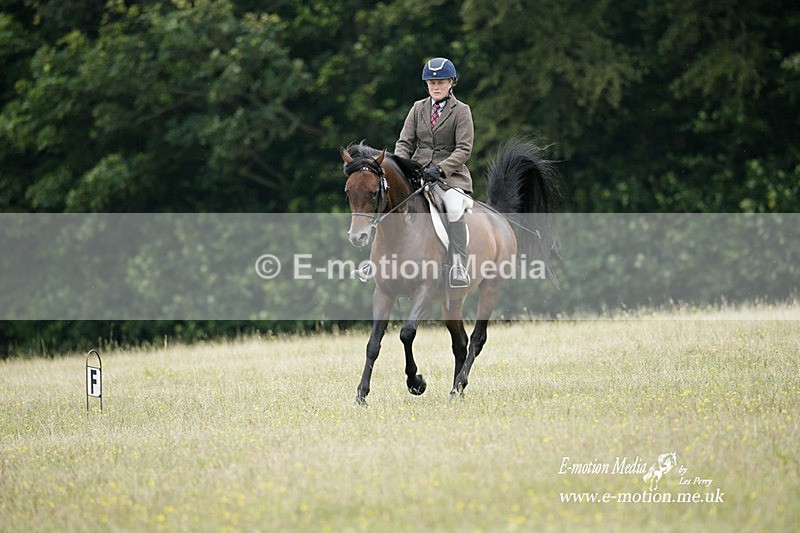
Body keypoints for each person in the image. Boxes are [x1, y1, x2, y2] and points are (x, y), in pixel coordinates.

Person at [394, 57, 474, 288]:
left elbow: (464, 149)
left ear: (452, 83)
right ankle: (375, 262)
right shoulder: (418, 108)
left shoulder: (461, 111)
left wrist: (440, 169)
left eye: (441, 82)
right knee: (391, 202)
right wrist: (402, 165)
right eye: (431, 83)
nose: (436, 87)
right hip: (417, 172)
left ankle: (458, 264)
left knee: (453, 206)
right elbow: (404, 142)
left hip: (450, 178)